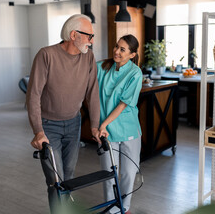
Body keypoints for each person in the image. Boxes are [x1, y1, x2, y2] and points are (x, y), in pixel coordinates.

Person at [26, 14, 100, 213]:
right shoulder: (46, 55)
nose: (92, 41)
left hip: (74, 123)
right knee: (55, 179)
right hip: (49, 126)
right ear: (74, 34)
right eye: (89, 36)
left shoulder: (89, 58)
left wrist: (94, 125)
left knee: (69, 175)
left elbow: (93, 93)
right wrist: (38, 131)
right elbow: (33, 95)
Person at [96, 34, 143, 214]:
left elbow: (123, 104)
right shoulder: (102, 67)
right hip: (107, 131)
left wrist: (103, 124)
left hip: (129, 129)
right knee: (108, 174)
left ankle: (125, 207)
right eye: (117, 46)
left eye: (122, 49)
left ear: (132, 55)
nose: (116, 51)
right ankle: (112, 209)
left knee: (129, 174)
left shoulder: (135, 72)